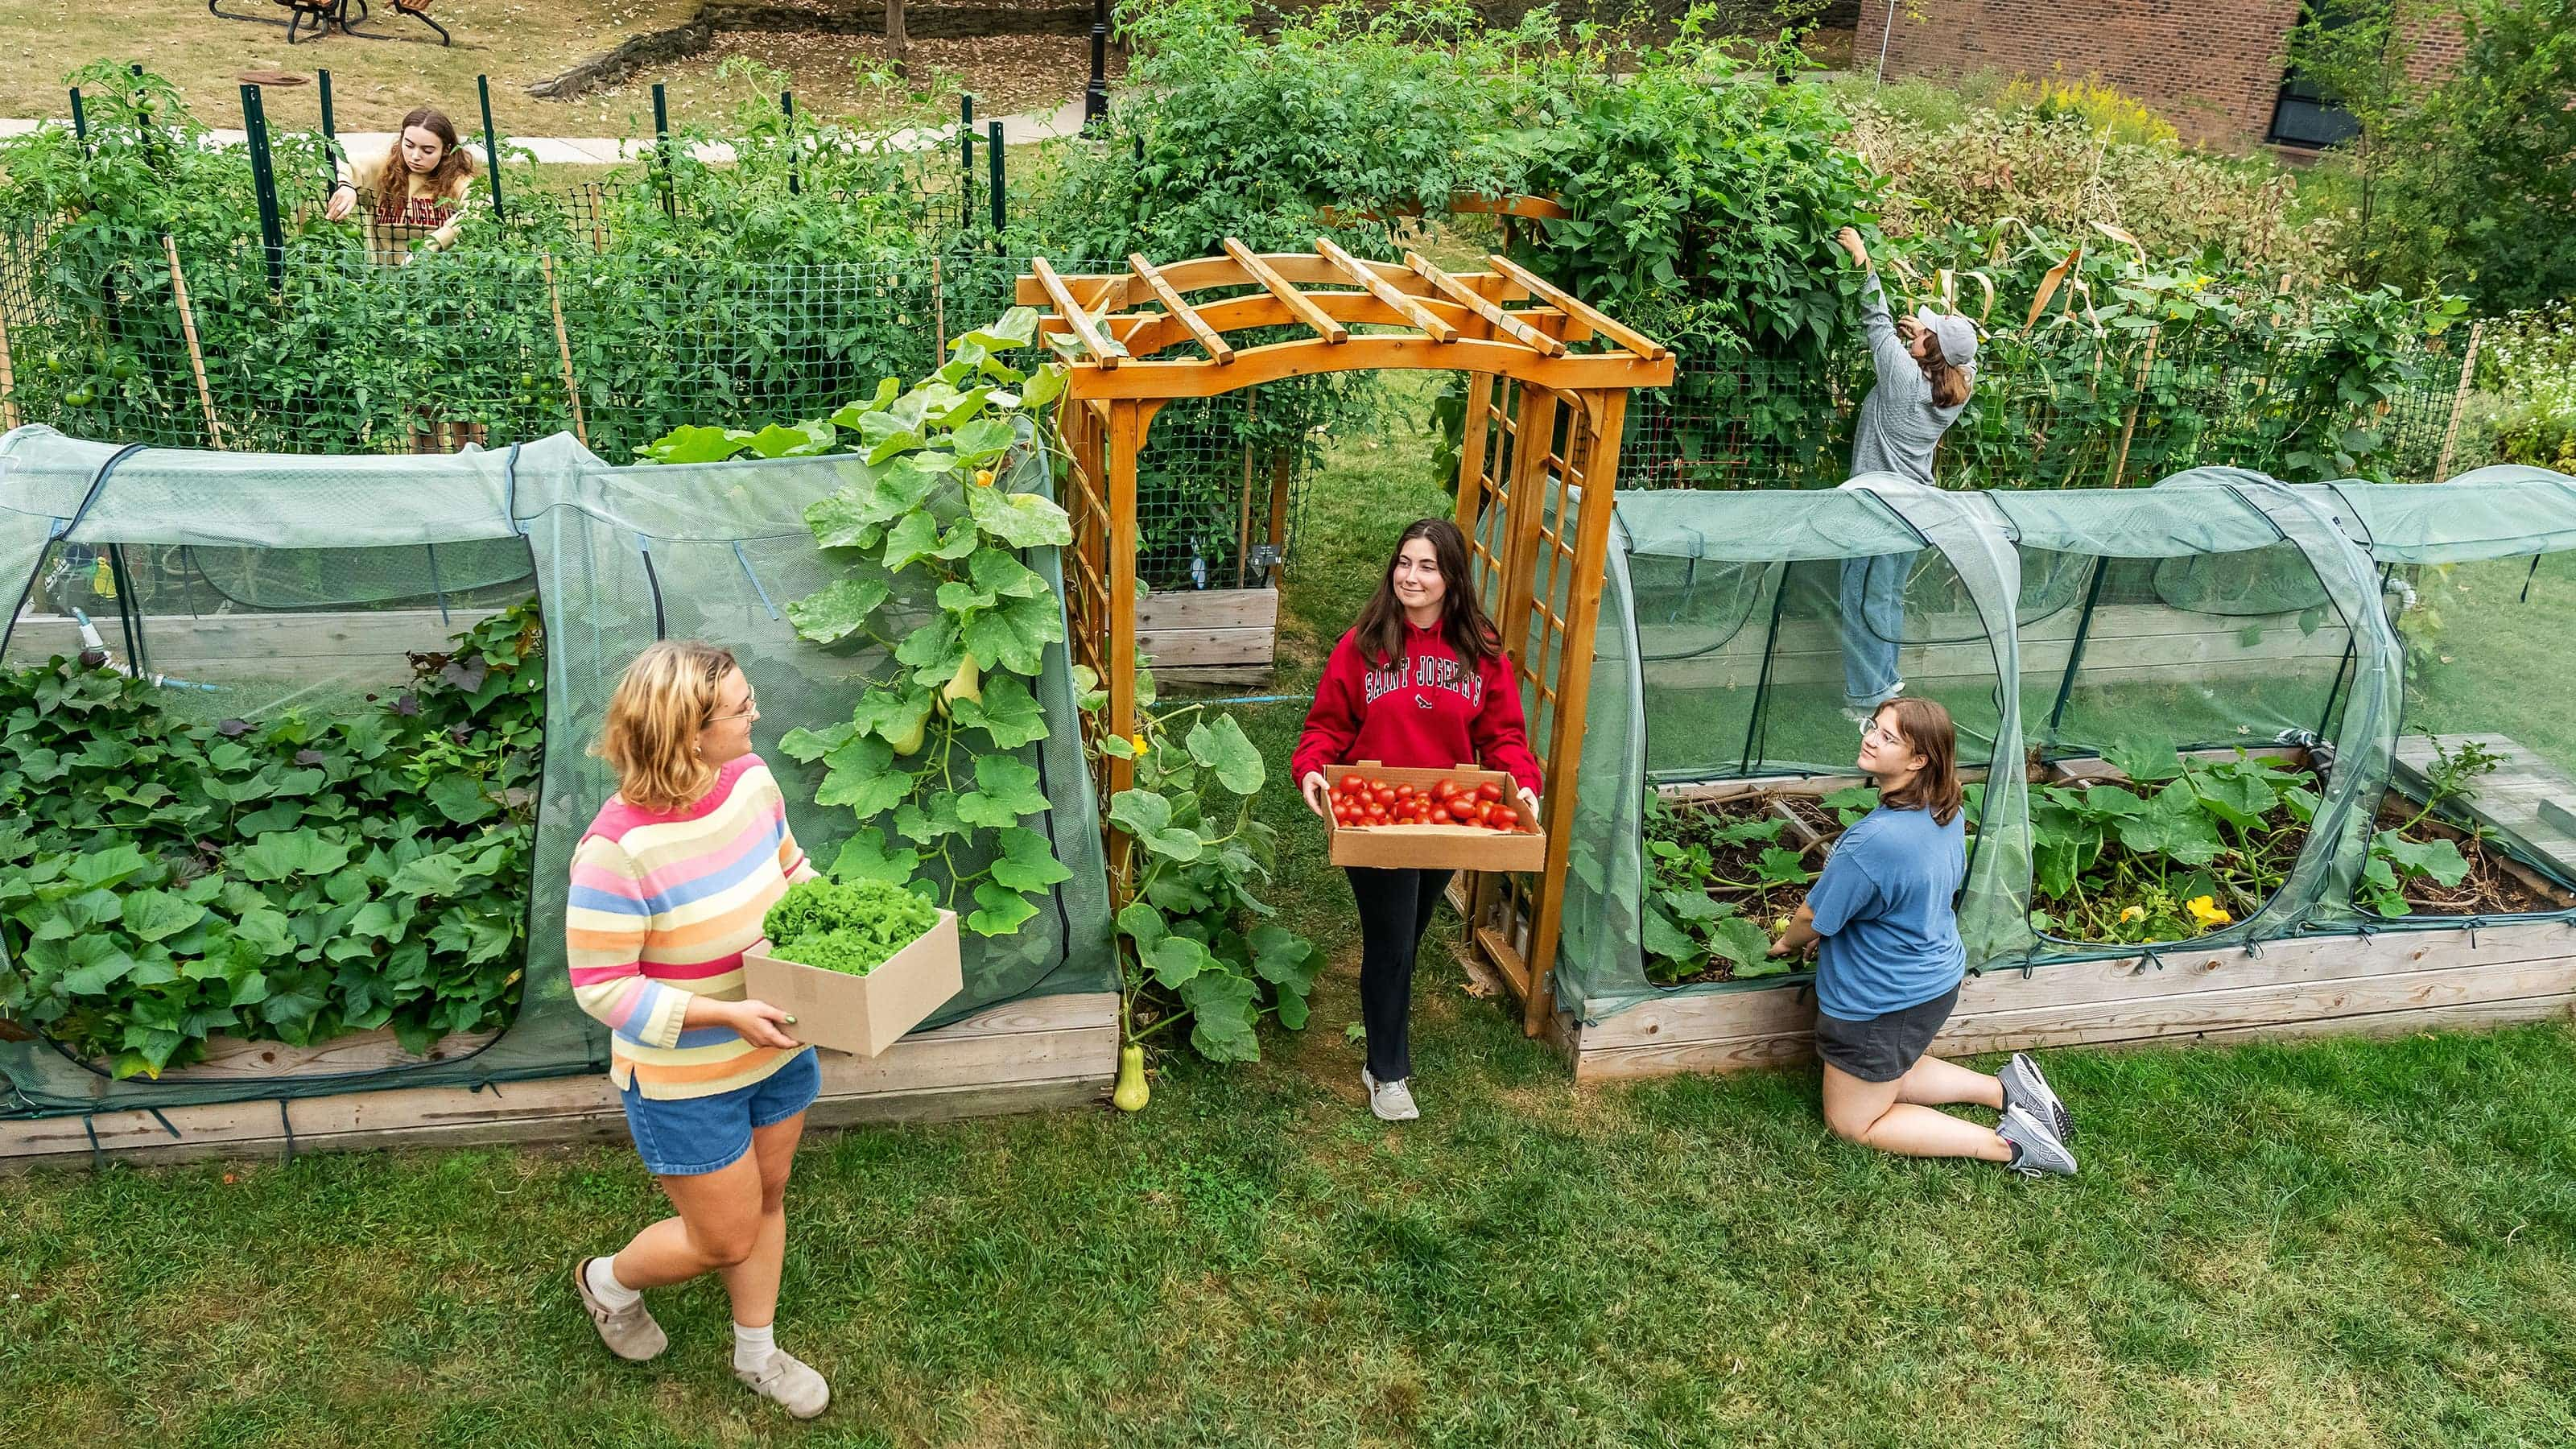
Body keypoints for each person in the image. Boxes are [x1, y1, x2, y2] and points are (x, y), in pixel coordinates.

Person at [566, 641, 833, 1419]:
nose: (758, 714)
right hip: (687, 1078)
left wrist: (838, 941)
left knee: (769, 1199)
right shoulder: (616, 853)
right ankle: (607, 1282)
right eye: (742, 707)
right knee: (721, 1237)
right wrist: (724, 1014)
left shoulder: (749, 779)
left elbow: (789, 869)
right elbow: (602, 989)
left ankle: (758, 1355)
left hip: (778, 1045)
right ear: (688, 734)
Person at [1292, 518, 1543, 1122]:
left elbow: (1503, 733)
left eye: (1427, 566)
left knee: (1405, 931)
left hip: (1444, 817)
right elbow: (1325, 727)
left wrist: (1524, 786)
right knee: (1392, 942)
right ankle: (1387, 1071)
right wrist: (1313, 769)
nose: (1411, 577)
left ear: (1452, 577)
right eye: (1404, 563)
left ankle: (1383, 1027)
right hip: (1374, 817)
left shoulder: (1478, 649)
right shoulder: (1364, 644)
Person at [1767, 696, 2079, 1176]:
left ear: (1918, 760)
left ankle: (2013, 1145)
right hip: (1932, 978)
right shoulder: (1943, 807)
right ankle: (2010, 1090)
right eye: (1875, 727)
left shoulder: (1874, 840)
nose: (1870, 738)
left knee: (1854, 1121)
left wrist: (1788, 941)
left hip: (1883, 997)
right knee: (1888, 1067)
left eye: (1889, 737)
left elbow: (1813, 914)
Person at [1831, 225, 1979, 724]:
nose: (1915, 331)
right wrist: (1925, 341)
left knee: (1861, 598)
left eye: (1924, 333)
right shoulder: (1958, 387)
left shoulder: (1899, 379)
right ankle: (1888, 680)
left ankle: (1868, 699)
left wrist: (1863, 259)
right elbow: (1958, 359)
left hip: (1876, 506)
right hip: (1915, 511)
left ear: (1929, 351)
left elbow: (1875, 319)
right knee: (1887, 595)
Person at [324, 107, 477, 266]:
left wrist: (433, 243)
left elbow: (481, 208)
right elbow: (341, 162)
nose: (416, 156)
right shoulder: (384, 170)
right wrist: (346, 185)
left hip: (442, 282)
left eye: (427, 150)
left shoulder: (456, 181)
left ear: (446, 150)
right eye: (409, 145)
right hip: (385, 285)